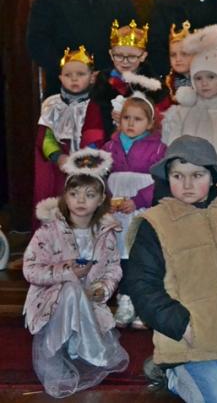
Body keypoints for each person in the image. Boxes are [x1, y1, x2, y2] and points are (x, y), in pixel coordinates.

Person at [125, 135, 217, 403]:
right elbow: (142, 283)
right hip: (188, 335)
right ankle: (171, 373)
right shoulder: (155, 223)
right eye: (178, 176)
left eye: (197, 175)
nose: (187, 184)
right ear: (167, 177)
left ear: (213, 176)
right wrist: (180, 325)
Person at [23, 149, 127, 398]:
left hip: (89, 303)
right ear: (65, 197)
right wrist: (66, 270)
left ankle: (81, 345)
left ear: (101, 199)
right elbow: (30, 269)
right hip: (52, 302)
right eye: (74, 193)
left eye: (89, 195)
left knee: (78, 291)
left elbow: (113, 268)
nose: (81, 200)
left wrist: (102, 288)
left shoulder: (105, 233)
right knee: (71, 288)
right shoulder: (48, 231)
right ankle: (60, 350)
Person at [161, 25, 217, 200]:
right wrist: (182, 174)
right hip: (188, 178)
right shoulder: (183, 111)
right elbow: (173, 147)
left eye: (211, 77)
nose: (204, 83)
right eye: (198, 78)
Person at [102, 94, 167, 328]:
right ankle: (125, 298)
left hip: (142, 210)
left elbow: (162, 179)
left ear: (149, 123)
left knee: (141, 252)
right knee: (120, 254)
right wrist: (106, 200)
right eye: (126, 118)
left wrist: (139, 199)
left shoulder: (158, 148)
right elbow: (101, 176)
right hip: (117, 212)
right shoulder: (110, 147)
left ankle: (143, 302)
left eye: (137, 119)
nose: (130, 123)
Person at [81, 20, 169, 148]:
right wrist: (94, 151)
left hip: (145, 151)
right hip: (108, 150)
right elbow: (92, 127)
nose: (125, 61)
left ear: (143, 56)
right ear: (111, 55)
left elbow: (165, 124)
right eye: (119, 56)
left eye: (132, 57)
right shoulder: (103, 85)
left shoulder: (154, 88)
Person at [34, 46, 96, 210]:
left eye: (80, 74)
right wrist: (58, 157)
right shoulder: (52, 105)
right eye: (68, 75)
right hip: (60, 168)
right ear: (61, 78)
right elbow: (45, 138)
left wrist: (87, 161)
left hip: (89, 167)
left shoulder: (97, 105)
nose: (74, 79)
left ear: (92, 77)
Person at [164, 21, 194, 103]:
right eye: (173, 55)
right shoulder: (167, 84)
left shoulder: (205, 82)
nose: (178, 59)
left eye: (184, 54)